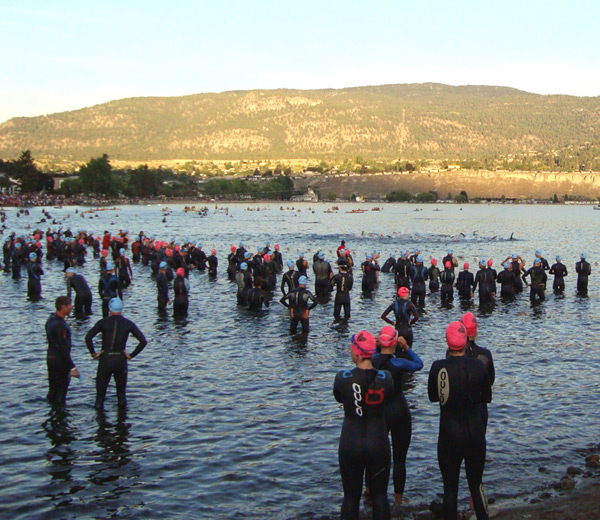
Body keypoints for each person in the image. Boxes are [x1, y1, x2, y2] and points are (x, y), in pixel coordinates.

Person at [428, 321, 492, 520]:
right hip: (475, 431)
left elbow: (432, 396)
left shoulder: (438, 367)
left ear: (447, 343)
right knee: (476, 483)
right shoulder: (479, 365)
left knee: (450, 488)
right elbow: (486, 397)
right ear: (465, 341)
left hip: (449, 433)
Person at [334, 330, 393, 520]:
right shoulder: (387, 378)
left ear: (357, 353)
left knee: (351, 497)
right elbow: (388, 399)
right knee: (379, 496)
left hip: (351, 441)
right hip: (378, 441)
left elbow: (339, 397)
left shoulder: (342, 378)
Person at [372, 327, 423, 508]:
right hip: (399, 410)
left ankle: (371, 493)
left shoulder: (371, 361)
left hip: (379, 412)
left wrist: (376, 343)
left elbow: (358, 344)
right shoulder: (399, 363)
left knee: (376, 456)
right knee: (399, 458)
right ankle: (398, 501)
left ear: (380, 342)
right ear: (395, 343)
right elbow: (419, 364)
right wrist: (406, 346)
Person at [85, 297, 147, 409]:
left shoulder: (103, 322)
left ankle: (99, 423)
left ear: (109, 309)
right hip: (120, 360)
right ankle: (122, 423)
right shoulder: (128, 324)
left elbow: (88, 337)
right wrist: (131, 355)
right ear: (121, 309)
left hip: (106, 359)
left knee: (99, 398)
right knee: (121, 397)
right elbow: (143, 341)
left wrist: (93, 353)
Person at [460, 313, 495, 431]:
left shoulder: (451, 354)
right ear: (475, 332)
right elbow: (490, 381)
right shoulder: (485, 355)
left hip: (460, 406)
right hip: (479, 406)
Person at [45, 296, 80, 406]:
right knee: (61, 392)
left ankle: (51, 415)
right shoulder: (61, 326)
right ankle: (60, 418)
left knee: (52, 390)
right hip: (60, 360)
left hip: (50, 357)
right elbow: (63, 349)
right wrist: (72, 367)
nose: (71, 307)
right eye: (69, 305)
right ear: (63, 307)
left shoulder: (51, 319)